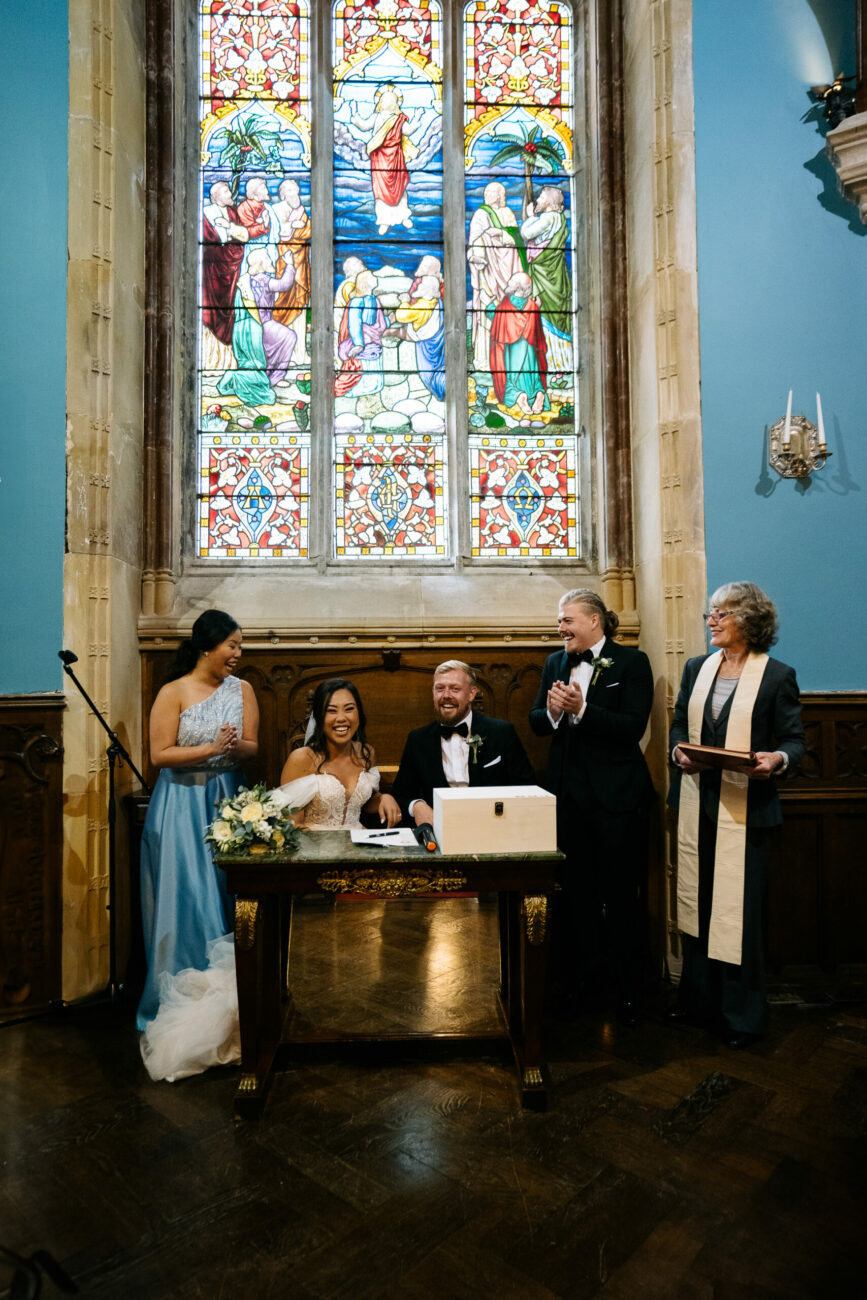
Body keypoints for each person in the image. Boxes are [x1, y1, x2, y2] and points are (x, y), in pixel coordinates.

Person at [668, 582, 804, 1047]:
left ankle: (741, 1017)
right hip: (697, 805)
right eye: (711, 613)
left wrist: (776, 760)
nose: (712, 620)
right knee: (699, 905)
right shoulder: (696, 668)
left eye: (722, 613)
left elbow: (793, 740)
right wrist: (677, 754)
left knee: (738, 915)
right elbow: (679, 726)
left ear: (748, 620)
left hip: (748, 813)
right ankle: (699, 1003)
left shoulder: (776, 675)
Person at [529, 589, 654, 1025]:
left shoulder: (631, 663)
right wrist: (552, 712)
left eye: (567, 620)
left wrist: (583, 709)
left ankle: (628, 990)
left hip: (616, 800)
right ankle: (579, 983)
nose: (559, 628)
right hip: (567, 802)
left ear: (595, 620)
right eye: (559, 621)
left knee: (620, 896)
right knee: (574, 896)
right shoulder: (554, 664)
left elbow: (632, 727)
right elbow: (536, 723)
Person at [136, 609, 259, 1037]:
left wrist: (233, 746)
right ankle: (182, 990)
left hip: (228, 797)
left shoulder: (242, 689)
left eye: (240, 646)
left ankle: (235, 994)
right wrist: (209, 747)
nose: (238, 654)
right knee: (185, 890)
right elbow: (158, 755)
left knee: (228, 891)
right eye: (232, 645)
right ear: (207, 646)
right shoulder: (173, 691)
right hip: (182, 801)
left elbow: (252, 748)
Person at [392, 661, 535, 827]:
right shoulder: (418, 740)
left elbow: (527, 788)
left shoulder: (501, 732)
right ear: (433, 692)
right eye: (440, 688)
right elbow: (400, 795)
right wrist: (416, 805)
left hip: (494, 827)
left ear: (472, 694)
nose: (446, 695)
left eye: (455, 689)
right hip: (440, 831)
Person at [279, 678, 401, 829]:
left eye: (349, 709)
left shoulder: (366, 753)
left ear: (359, 713)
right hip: (315, 847)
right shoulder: (302, 758)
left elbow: (363, 801)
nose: (341, 718)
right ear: (319, 716)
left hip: (359, 842)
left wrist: (383, 798)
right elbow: (291, 825)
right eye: (331, 710)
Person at [467, 180, 521, 371]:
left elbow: (516, 237)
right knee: (487, 309)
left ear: (500, 195)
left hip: (510, 267)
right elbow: (474, 242)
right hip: (488, 271)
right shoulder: (481, 214)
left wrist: (499, 233)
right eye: (486, 191)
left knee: (511, 308)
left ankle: (513, 360)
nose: (487, 195)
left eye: (492, 192)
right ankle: (485, 361)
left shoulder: (507, 213)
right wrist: (478, 253)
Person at [520, 185, 572, 374]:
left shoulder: (548, 218)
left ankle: (553, 364)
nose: (537, 201)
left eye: (541, 197)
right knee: (551, 318)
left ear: (549, 202)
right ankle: (558, 365)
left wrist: (531, 216)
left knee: (544, 318)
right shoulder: (560, 219)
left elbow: (526, 234)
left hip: (544, 276)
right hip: (555, 276)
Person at [487, 271, 549, 416]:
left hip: (512, 353)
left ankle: (519, 396)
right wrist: (537, 307)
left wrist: (489, 306)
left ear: (516, 289)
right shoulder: (532, 305)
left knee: (511, 380)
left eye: (511, 283)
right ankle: (538, 393)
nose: (508, 284)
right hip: (530, 352)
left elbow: (497, 318)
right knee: (534, 377)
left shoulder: (506, 305)